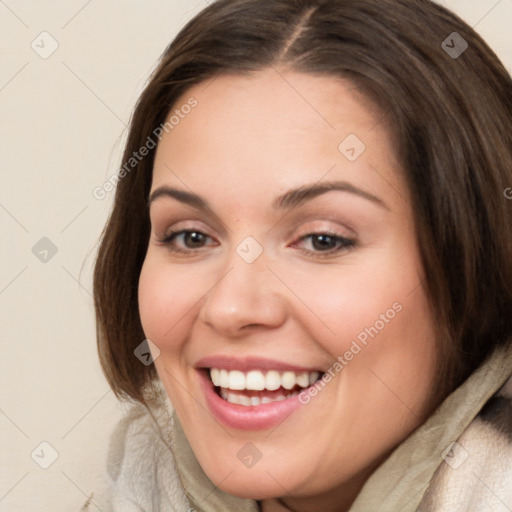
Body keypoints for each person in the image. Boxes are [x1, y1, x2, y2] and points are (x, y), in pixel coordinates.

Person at [89, 0, 512, 510]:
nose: (230, 307)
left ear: (475, 264)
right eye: (191, 237)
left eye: (322, 239)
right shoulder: (134, 486)